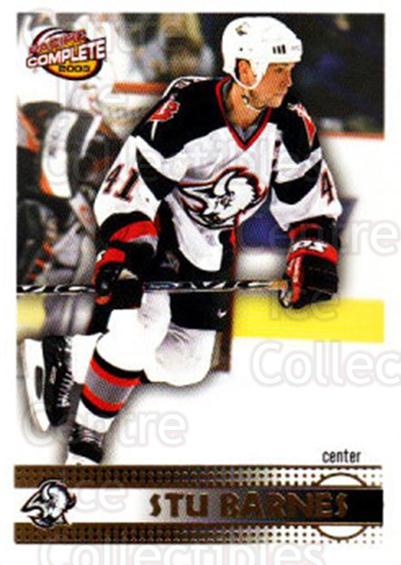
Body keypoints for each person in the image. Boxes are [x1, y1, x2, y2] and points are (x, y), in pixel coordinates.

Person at [23, 16, 342, 464]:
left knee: (186, 364)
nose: (289, 81)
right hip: (157, 225)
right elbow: (129, 187)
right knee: (141, 328)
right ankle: (84, 446)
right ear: (246, 69)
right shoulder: (187, 112)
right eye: (279, 70)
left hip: (210, 239)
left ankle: (70, 355)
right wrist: (127, 253)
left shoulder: (290, 124)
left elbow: (309, 202)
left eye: (290, 69)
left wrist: (312, 253)